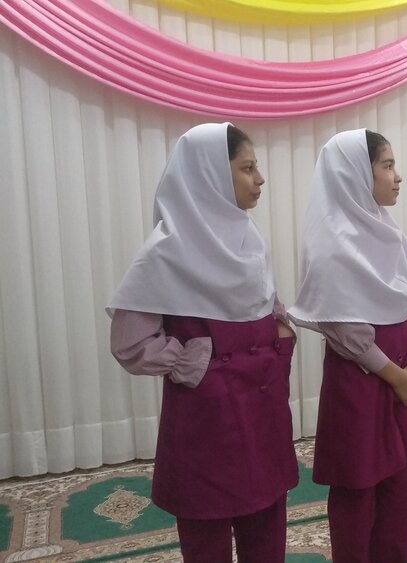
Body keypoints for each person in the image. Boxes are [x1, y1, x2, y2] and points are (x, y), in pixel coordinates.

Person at [107, 123, 298, 561]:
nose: (260, 178)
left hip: (262, 406)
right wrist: (194, 361)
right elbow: (130, 343)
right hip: (207, 417)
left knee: (267, 528)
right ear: (209, 174)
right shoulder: (166, 250)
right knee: (206, 533)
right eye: (247, 168)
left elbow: (265, 303)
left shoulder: (249, 237)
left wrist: (281, 334)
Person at [288, 129, 407, 562]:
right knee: (357, 489)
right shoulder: (330, 243)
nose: (397, 176)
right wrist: (397, 376)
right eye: (387, 166)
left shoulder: (389, 232)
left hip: (405, 380)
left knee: (401, 486)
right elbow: (342, 327)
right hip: (363, 385)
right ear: (354, 174)